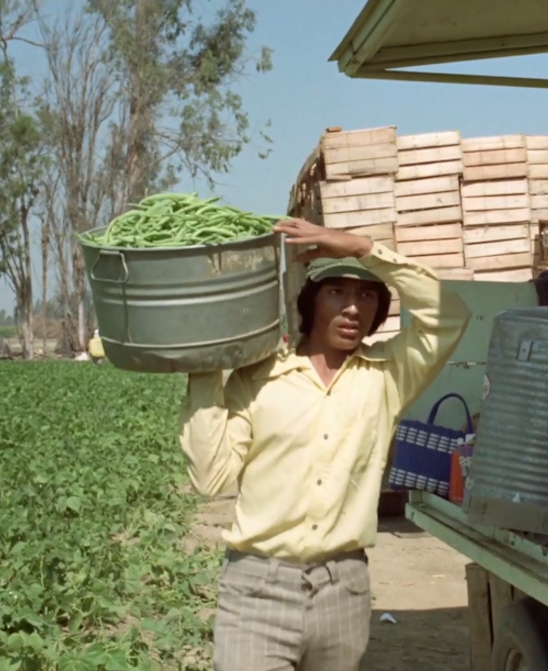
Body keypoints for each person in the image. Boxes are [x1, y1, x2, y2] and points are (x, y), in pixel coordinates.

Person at [180, 218, 471, 671]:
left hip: (343, 590)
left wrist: (363, 248)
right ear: (310, 302)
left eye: (367, 296)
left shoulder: (389, 375)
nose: (353, 307)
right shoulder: (259, 378)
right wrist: (204, 370)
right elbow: (210, 477)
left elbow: (449, 316)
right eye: (337, 292)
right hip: (256, 590)